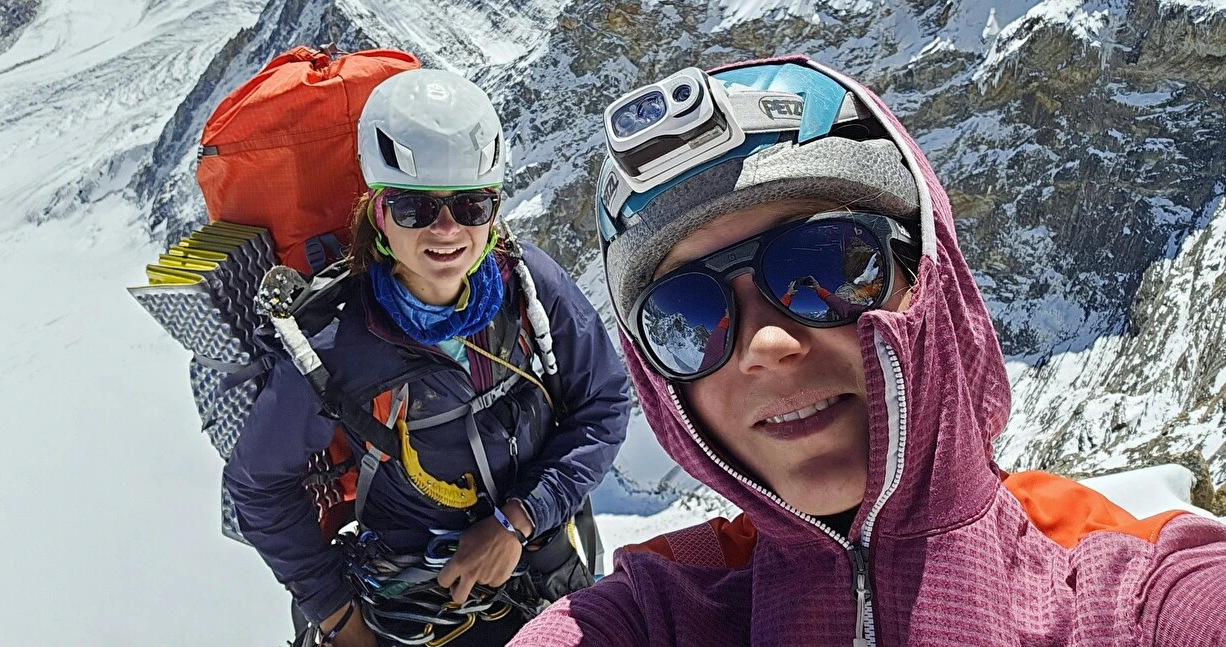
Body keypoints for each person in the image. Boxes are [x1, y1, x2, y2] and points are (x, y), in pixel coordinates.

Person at [511, 56, 1226, 646]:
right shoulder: (651, 615)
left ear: (931, 283)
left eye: (828, 263)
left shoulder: (1132, 595)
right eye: (687, 316)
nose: (764, 343)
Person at [225, 69, 631, 647]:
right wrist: (339, 619)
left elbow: (604, 404)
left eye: (471, 206)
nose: (447, 231)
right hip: (414, 610)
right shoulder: (335, 348)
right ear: (380, 213)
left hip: (540, 569)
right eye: (416, 209)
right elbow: (258, 485)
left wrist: (515, 522)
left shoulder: (529, 286)